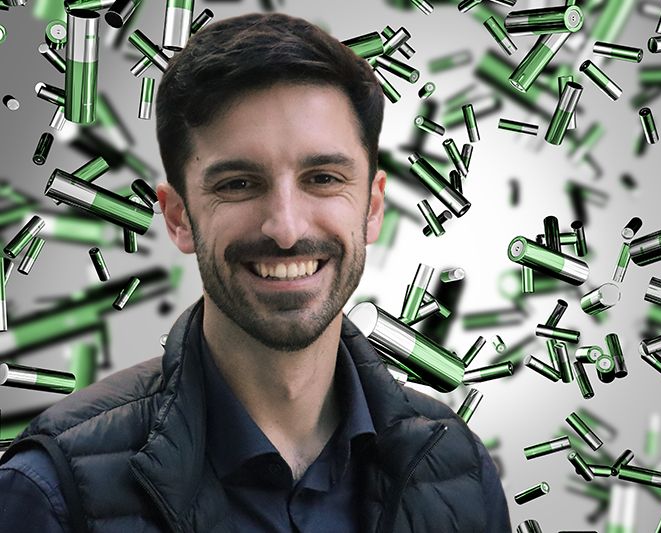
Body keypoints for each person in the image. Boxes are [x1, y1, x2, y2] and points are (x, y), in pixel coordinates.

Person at [0, 11, 511, 533]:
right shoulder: (52, 492)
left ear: (373, 207)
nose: (285, 228)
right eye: (239, 184)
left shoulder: (459, 470)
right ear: (178, 217)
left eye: (323, 177)